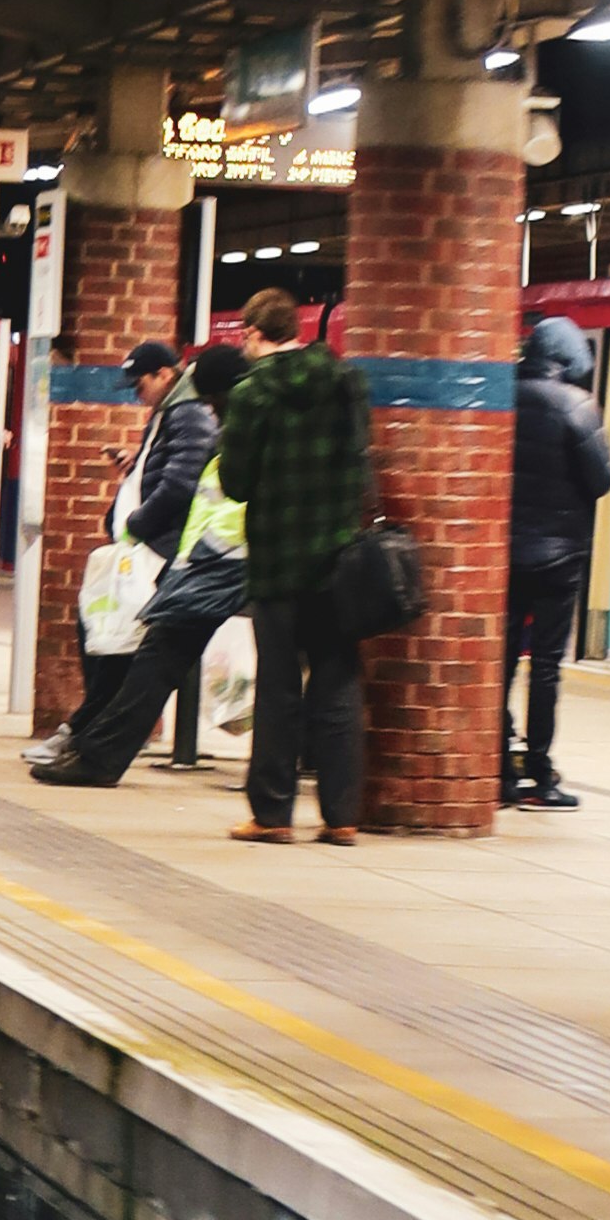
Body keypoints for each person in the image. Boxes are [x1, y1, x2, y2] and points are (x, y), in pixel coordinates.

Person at [32, 342, 252, 783]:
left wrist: (136, 522)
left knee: (151, 657)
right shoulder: (218, 415)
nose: (208, 409)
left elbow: (199, 485)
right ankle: (91, 748)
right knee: (150, 657)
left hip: (217, 561)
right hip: (227, 559)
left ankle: (92, 752)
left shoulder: (213, 417)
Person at [216, 288, 373, 844]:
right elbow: (361, 456)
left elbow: (234, 483)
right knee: (337, 683)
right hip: (338, 559)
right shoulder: (344, 381)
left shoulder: (251, 393)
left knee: (279, 688)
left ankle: (273, 815)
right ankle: (343, 815)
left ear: (255, 335)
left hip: (279, 559)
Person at [502, 312, 610, 805]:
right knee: (545, 667)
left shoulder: (500, 399)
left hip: (504, 556)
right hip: (559, 558)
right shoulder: (577, 406)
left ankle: (498, 769)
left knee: (499, 663)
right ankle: (540, 775)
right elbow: (602, 480)